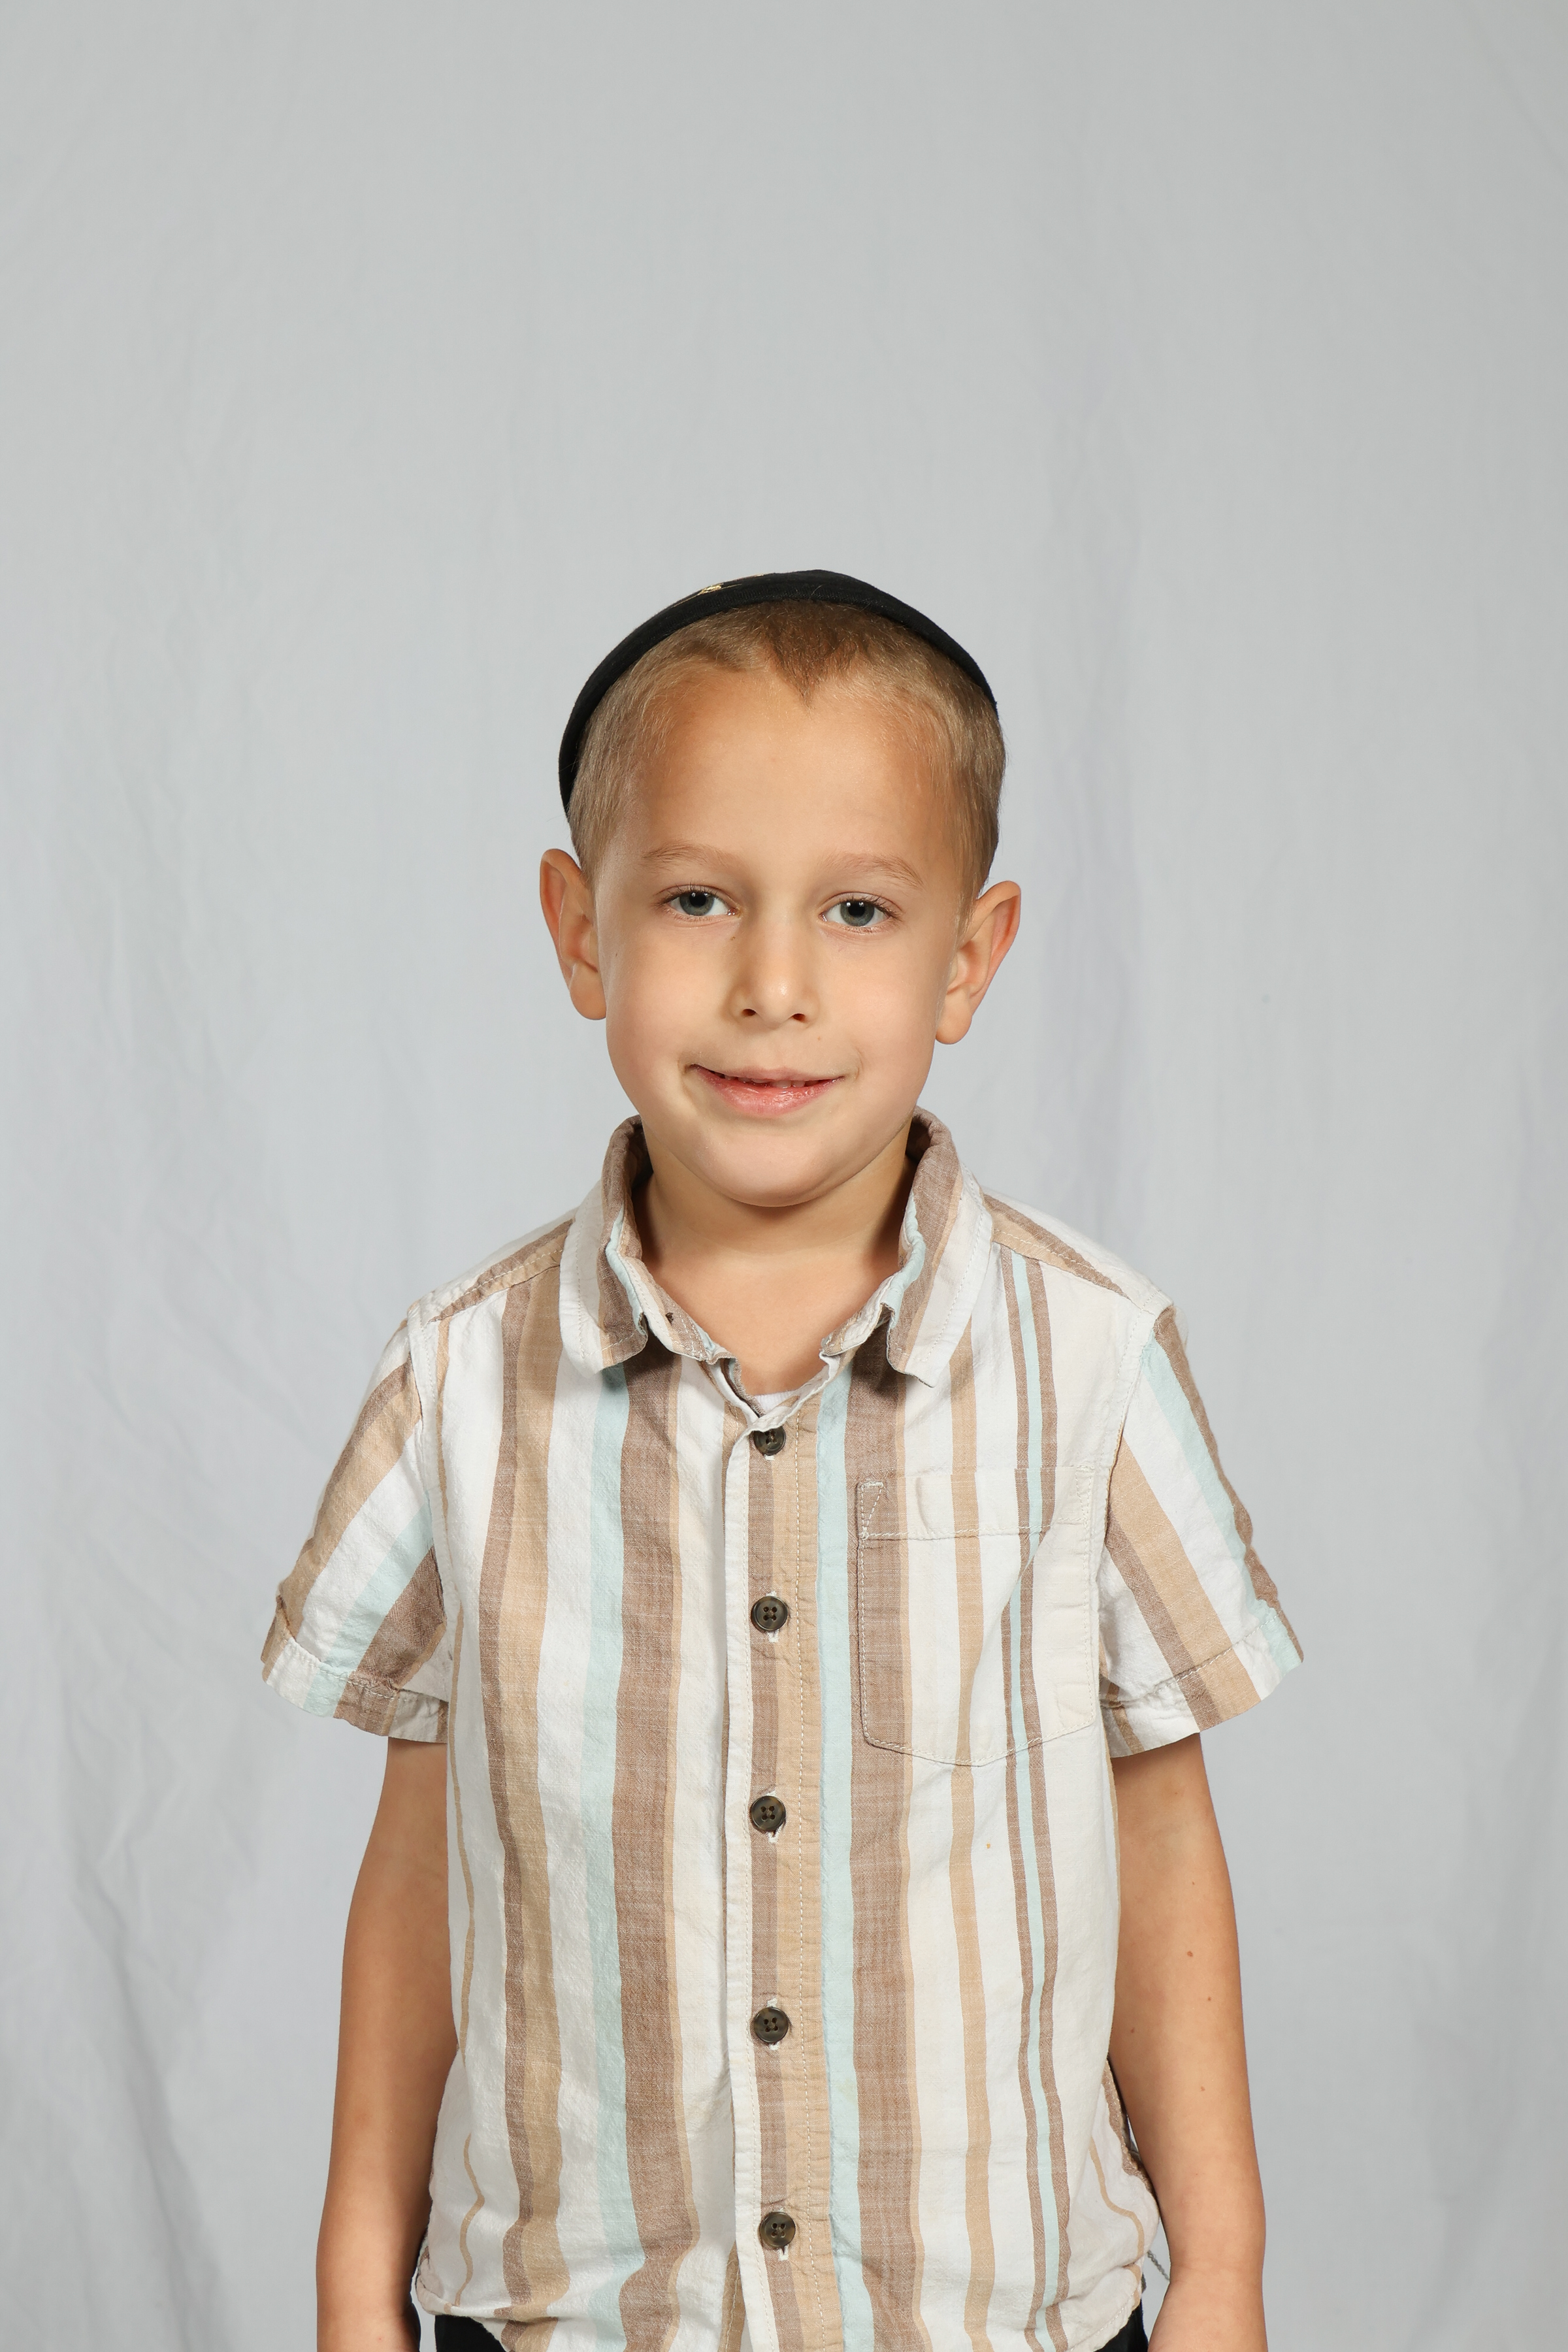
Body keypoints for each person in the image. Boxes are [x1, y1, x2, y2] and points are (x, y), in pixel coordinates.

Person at [263, 571, 1301, 2352]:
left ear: (968, 959)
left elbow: (1159, 1831)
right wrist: (357, 2286)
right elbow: (422, 1864)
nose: (773, 986)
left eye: (858, 910)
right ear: (580, 931)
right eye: (697, 900)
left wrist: (1223, 2276)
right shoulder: (456, 1384)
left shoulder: (1092, 1365)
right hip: (570, 2317)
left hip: (1002, 2319)